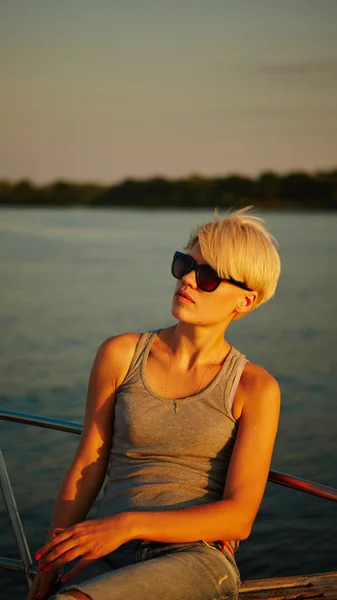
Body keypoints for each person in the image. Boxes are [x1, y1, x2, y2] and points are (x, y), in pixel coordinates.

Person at [28, 207, 281, 600]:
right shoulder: (120, 354)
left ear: (245, 301)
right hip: (107, 544)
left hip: (193, 556)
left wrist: (128, 525)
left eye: (208, 276)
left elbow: (238, 517)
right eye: (185, 264)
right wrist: (48, 563)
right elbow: (87, 467)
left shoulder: (253, 387)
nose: (188, 280)